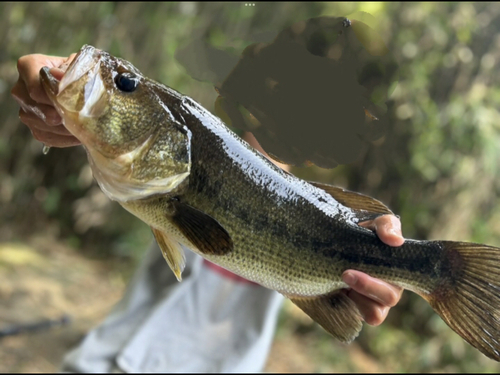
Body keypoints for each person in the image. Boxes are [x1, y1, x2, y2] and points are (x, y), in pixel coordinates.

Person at [12, 53, 405, 372]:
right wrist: (45, 80)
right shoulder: (185, 151)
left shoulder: (320, 212)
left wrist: (385, 258)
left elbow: (344, 298)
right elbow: (77, 95)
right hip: (113, 362)